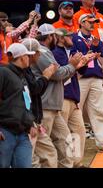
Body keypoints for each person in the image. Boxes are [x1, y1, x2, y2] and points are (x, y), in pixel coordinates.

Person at [31, 24, 83, 168]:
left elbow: (60, 74)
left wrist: (73, 66)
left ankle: (68, 165)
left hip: (53, 105)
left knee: (66, 140)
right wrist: (72, 65)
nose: (56, 38)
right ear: (49, 37)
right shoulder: (41, 52)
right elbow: (57, 74)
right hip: (45, 105)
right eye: (54, 36)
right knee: (42, 149)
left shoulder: (47, 51)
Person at [73, 0, 103, 137]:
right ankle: (84, 128)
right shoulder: (78, 16)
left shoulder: (102, 17)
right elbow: (75, 38)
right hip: (86, 61)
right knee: (82, 96)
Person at [53, 28, 93, 167]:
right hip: (62, 97)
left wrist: (84, 63)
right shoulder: (55, 53)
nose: (73, 38)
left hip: (73, 97)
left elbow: (79, 72)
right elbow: (60, 75)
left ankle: (76, 163)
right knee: (62, 136)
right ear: (61, 38)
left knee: (79, 131)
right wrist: (74, 65)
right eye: (69, 36)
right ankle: (64, 163)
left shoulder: (71, 52)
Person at [0, 43, 40, 168]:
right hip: (5, 132)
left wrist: (30, 122)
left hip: (22, 132)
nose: (29, 59)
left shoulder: (22, 75)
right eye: (27, 56)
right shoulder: (3, 72)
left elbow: (26, 102)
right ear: (22, 57)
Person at [20, 38, 58, 168]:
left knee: (49, 152)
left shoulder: (27, 69)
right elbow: (33, 91)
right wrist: (46, 76)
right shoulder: (21, 71)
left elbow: (35, 92)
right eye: (38, 52)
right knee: (29, 157)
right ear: (33, 54)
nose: (40, 55)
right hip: (28, 122)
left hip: (34, 120)